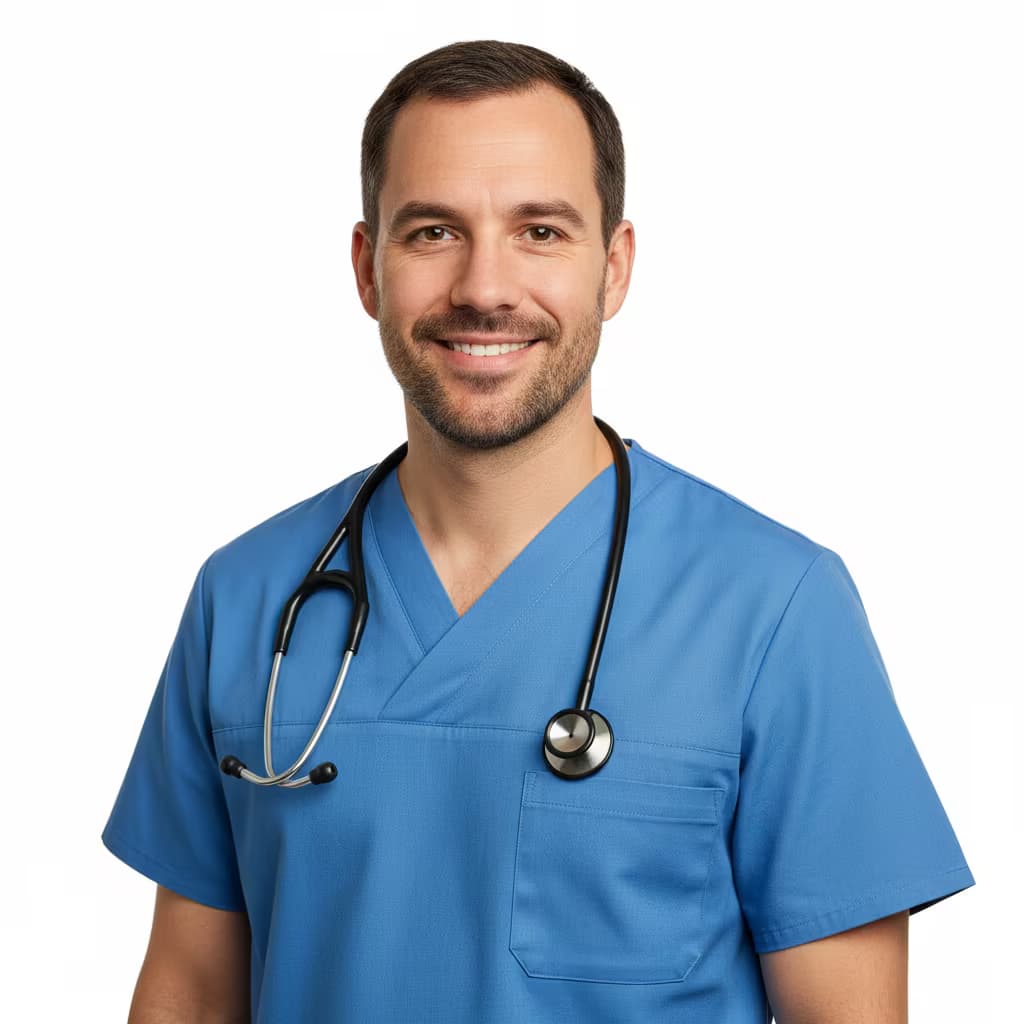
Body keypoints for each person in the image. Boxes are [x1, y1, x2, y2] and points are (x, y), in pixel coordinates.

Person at [101, 39, 975, 1023]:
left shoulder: (772, 609)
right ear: (366, 267)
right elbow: (188, 989)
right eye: (433, 231)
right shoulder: (249, 596)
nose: (484, 285)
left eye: (540, 232)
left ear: (613, 268)